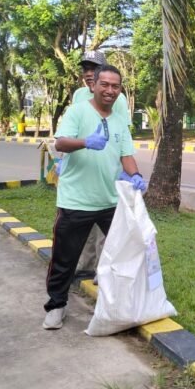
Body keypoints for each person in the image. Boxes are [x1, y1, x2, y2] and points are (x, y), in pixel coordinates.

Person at [43, 65, 147, 330]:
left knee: (123, 255)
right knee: (64, 260)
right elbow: (60, 143)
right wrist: (85, 142)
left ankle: (121, 306)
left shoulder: (120, 121)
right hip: (75, 202)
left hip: (110, 203)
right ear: (94, 85)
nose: (110, 90)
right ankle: (56, 306)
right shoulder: (77, 111)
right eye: (105, 84)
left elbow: (126, 155)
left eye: (115, 86)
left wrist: (135, 175)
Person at [71, 50, 131, 283]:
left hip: (107, 168)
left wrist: (126, 166)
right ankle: (84, 264)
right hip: (82, 166)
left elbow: (123, 134)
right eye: (85, 69)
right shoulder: (78, 96)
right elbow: (73, 128)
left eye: (93, 69)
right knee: (83, 218)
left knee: (105, 222)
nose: (88, 73)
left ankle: (102, 268)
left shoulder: (117, 98)